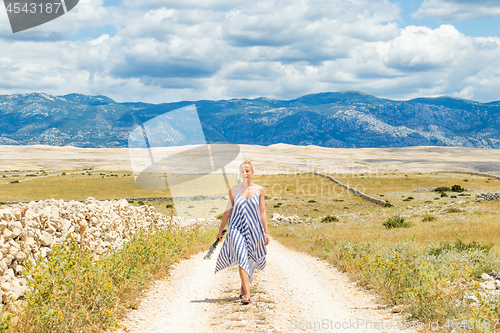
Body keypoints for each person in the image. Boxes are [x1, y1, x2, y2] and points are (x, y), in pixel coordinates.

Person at [214, 159, 270, 304]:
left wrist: (266, 232)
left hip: (254, 229)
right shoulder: (234, 189)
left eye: (247, 171)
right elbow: (227, 212)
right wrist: (220, 230)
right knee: (241, 258)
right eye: (242, 171)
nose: (245, 173)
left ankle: (243, 288)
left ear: (252, 172)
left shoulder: (260, 190)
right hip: (236, 228)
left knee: (250, 259)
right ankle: (248, 294)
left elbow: (262, 212)